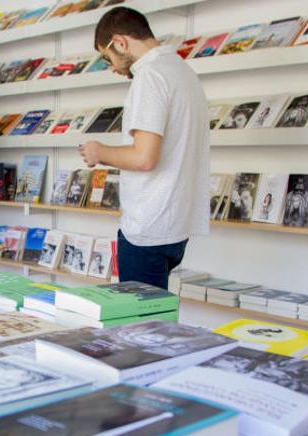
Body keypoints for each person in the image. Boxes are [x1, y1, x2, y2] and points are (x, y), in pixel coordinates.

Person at [78, 7, 209, 290]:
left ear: (120, 42)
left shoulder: (149, 75)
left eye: (107, 56)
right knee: (157, 325)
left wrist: (99, 152)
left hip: (147, 228)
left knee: (139, 328)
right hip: (176, 225)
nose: (112, 66)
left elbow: (144, 157)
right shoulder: (182, 70)